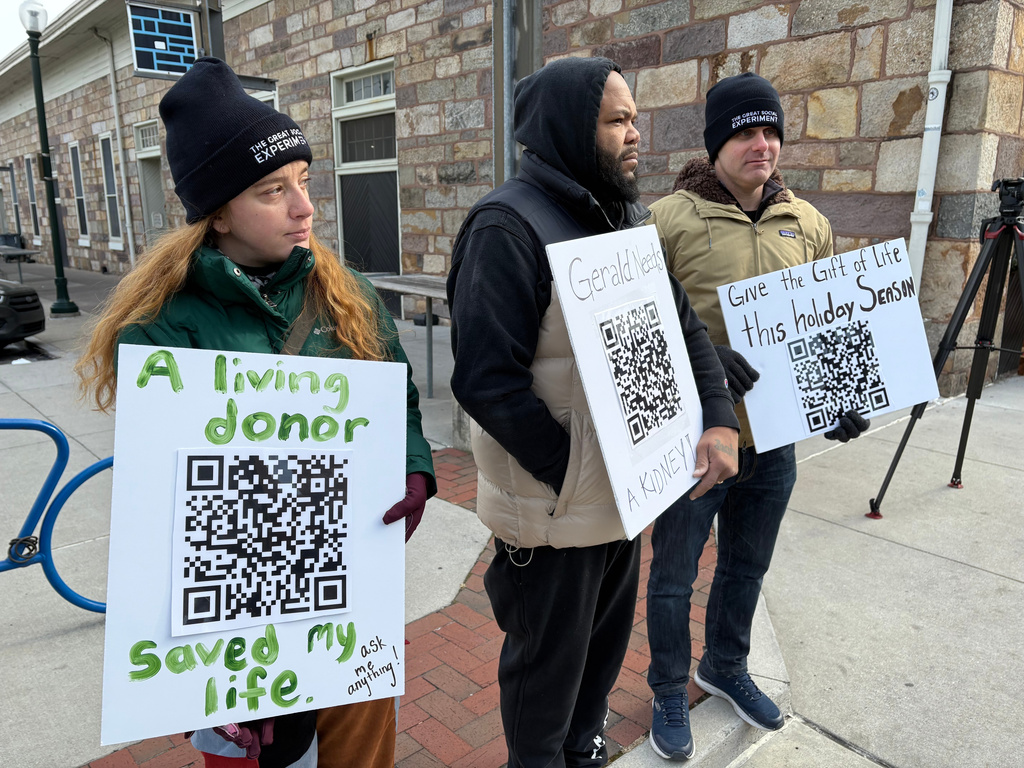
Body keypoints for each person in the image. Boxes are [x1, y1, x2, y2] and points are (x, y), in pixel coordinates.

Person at [75, 58, 435, 768]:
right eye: (274, 190)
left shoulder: (347, 294)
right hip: (236, 648)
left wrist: (415, 466)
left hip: (345, 603)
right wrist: (208, 683)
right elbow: (167, 516)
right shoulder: (161, 327)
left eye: (303, 182)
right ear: (216, 211)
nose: (305, 208)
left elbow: (398, 397)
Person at [446, 57, 740, 768]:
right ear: (569, 129)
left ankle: (586, 750)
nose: (635, 133)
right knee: (544, 685)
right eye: (617, 120)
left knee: (598, 670)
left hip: (618, 503)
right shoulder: (506, 226)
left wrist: (718, 417)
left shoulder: (624, 217)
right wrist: (573, 471)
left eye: (633, 118)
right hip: (551, 519)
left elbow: (683, 327)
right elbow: (486, 381)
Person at [645, 72, 869, 760]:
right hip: (695, 442)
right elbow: (636, 326)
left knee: (746, 567)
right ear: (716, 144)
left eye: (771, 131)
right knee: (674, 575)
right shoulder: (668, 219)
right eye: (746, 131)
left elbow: (829, 318)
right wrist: (702, 354)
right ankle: (665, 690)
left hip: (773, 440)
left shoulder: (808, 223)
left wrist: (840, 395)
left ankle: (726, 667)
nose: (762, 145)